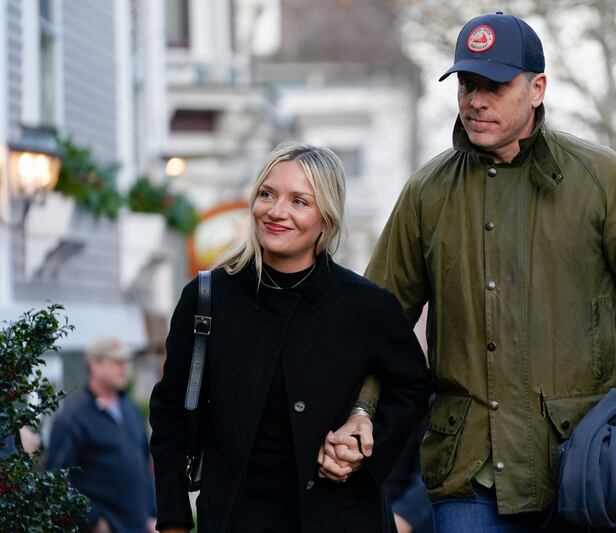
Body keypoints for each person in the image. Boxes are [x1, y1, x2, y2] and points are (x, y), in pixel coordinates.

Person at [320, 11, 616, 532]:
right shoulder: (427, 193)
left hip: (584, 463)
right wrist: (360, 411)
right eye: (467, 84)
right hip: (468, 471)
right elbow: (375, 325)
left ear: (537, 88)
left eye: (496, 85)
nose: (477, 99)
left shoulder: (602, 181)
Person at [149, 142, 431, 533]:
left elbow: (414, 387)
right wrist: (174, 519)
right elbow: (170, 417)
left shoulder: (367, 306)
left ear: (326, 219)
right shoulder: (206, 299)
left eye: (299, 201)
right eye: (267, 194)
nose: (276, 211)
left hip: (343, 519)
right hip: (234, 519)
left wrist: (365, 446)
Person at [46, 338, 157, 533]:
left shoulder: (130, 409)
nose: (123, 368)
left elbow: (145, 468)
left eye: (125, 362)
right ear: (94, 365)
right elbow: (56, 480)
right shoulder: (73, 418)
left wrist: (152, 515)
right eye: (115, 362)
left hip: (139, 527)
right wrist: (92, 520)